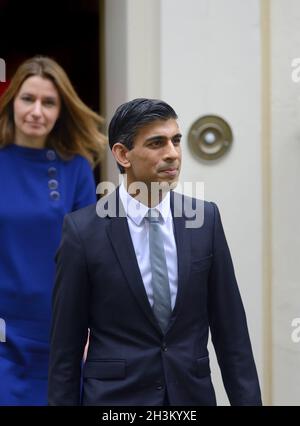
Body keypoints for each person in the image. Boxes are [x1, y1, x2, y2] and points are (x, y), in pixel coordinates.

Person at [48, 98, 262, 406]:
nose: (173, 154)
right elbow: (65, 350)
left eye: (175, 140)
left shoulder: (205, 221)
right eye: (157, 143)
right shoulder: (83, 231)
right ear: (123, 154)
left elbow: (233, 336)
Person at [0, 56, 106, 405]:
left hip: (58, 332)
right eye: (28, 99)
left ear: (61, 111)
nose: (36, 111)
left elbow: (92, 256)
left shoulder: (75, 168)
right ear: (12, 101)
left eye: (48, 102)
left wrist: (92, 327)